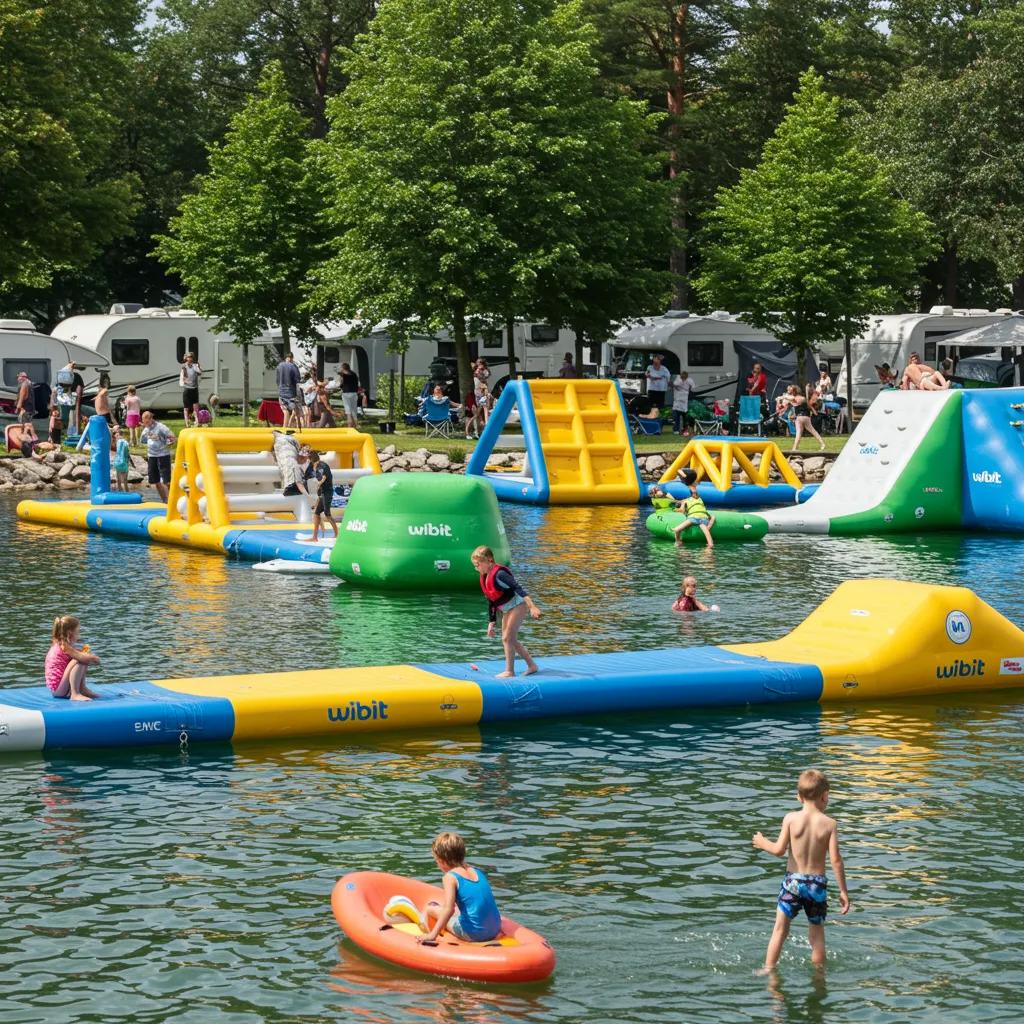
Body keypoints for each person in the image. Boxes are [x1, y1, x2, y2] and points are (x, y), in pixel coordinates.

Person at [752, 769, 850, 972]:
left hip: (792, 883)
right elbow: (836, 860)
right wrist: (843, 891)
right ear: (825, 796)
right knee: (816, 935)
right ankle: (819, 975)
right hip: (816, 885)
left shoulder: (790, 818)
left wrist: (762, 843)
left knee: (780, 929)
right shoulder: (830, 824)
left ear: (799, 797)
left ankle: (768, 969)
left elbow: (779, 850)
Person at [416, 832, 502, 945]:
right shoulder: (476, 871)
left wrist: (432, 935)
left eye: (436, 860)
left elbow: (449, 910)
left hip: (473, 933)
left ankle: (432, 935)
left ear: (441, 860)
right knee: (457, 911)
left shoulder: (450, 877)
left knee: (430, 908)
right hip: (495, 929)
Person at [471, 545, 541, 679]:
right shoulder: (485, 577)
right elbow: (491, 600)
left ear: (489, 561)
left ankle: (509, 671)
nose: (477, 568)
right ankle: (532, 666)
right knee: (510, 640)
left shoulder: (500, 574)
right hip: (507, 609)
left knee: (507, 638)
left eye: (478, 564)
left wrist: (532, 606)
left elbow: (518, 588)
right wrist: (491, 621)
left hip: (518, 605)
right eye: (475, 565)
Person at [45, 615, 101, 701]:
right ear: (70, 633)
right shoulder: (64, 646)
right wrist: (92, 658)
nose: (79, 635)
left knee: (82, 657)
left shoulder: (62, 645)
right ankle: (75, 694)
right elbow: (81, 658)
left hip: (59, 689)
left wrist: (84, 655)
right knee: (80, 659)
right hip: (59, 690)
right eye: (77, 632)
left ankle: (82, 689)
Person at [670, 471, 715, 548]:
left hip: (693, 518)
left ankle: (678, 540)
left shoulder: (686, 500)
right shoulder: (698, 498)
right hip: (702, 518)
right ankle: (710, 544)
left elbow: (682, 510)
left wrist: (676, 509)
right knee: (705, 530)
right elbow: (712, 517)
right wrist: (709, 524)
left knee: (677, 530)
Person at [140, 410, 176, 502]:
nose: (146, 424)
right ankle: (164, 500)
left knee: (166, 481)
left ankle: (171, 500)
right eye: (144, 422)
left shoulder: (161, 427)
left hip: (163, 455)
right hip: (152, 456)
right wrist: (146, 438)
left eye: (147, 422)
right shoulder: (146, 429)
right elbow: (143, 440)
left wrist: (162, 440)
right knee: (155, 480)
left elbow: (172, 438)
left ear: (151, 419)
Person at [306, 450, 339, 543]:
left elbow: (324, 477)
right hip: (322, 493)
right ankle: (314, 537)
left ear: (311, 459)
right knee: (316, 513)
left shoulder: (323, 466)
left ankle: (337, 534)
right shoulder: (314, 467)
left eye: (309, 459)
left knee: (327, 515)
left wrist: (319, 483)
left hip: (327, 493)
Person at [782, 385, 825, 453]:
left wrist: (784, 396)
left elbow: (788, 400)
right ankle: (822, 444)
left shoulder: (793, 398)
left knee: (798, 433)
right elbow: (807, 404)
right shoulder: (802, 398)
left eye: (790, 390)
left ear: (793, 391)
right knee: (813, 431)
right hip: (806, 417)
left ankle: (794, 448)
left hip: (799, 418)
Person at [276, 351, 301, 429]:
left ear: (285, 358)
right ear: (292, 358)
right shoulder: (293, 366)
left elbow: (277, 380)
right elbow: (297, 379)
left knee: (285, 411)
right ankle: (299, 428)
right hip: (291, 392)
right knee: (296, 410)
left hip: (281, 391)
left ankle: (285, 427)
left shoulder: (279, 366)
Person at [179, 352, 202, 428]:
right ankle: (187, 423)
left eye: (191, 357)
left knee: (196, 407)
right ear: (186, 358)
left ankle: (197, 422)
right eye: (188, 357)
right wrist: (186, 381)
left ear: (193, 358)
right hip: (187, 389)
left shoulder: (195, 366)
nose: (190, 358)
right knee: (186, 407)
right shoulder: (184, 367)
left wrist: (198, 367)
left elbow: (199, 373)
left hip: (194, 389)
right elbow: (184, 377)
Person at [671, 370, 695, 434]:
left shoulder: (689, 380)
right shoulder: (678, 380)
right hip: (677, 401)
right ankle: (676, 429)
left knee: (685, 417)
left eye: (685, 377)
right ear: (681, 376)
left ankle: (685, 429)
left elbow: (693, 387)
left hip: (685, 401)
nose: (684, 378)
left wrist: (690, 386)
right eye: (682, 377)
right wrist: (682, 381)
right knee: (676, 417)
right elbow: (675, 384)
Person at [338, 362, 360, 428]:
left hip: (346, 393)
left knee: (348, 411)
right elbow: (356, 383)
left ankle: (349, 426)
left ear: (343, 368)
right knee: (354, 410)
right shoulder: (354, 374)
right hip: (354, 393)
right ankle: (355, 425)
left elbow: (341, 385)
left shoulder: (343, 375)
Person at [112, 425, 130, 492]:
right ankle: (127, 494)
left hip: (118, 462)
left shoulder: (116, 442)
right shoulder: (124, 442)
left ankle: (120, 493)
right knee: (125, 480)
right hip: (124, 462)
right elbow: (127, 453)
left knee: (119, 480)